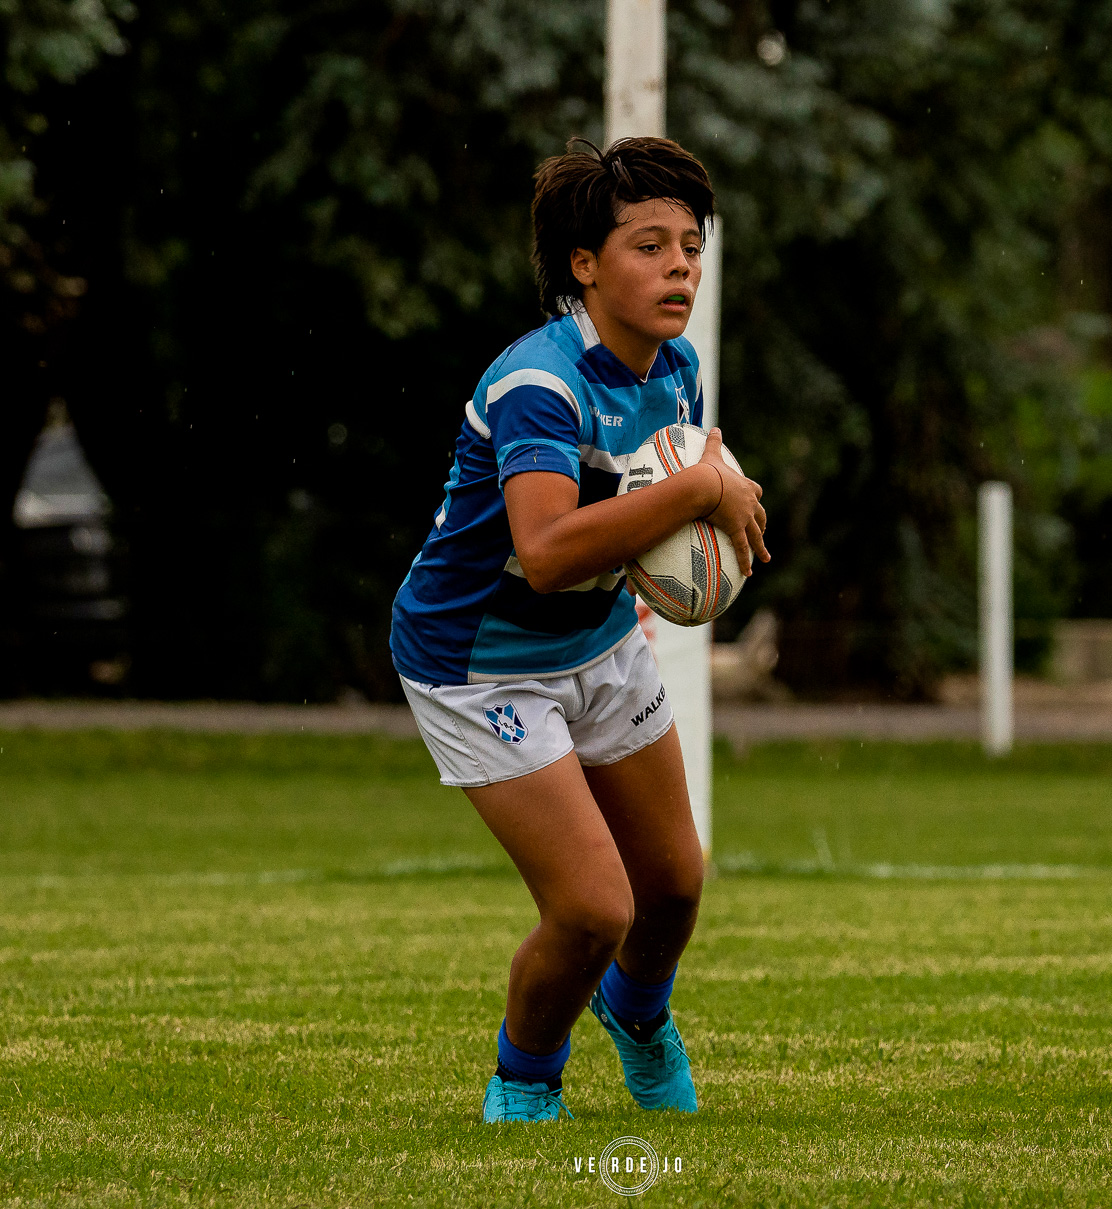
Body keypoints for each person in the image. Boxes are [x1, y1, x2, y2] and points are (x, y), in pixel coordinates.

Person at [388, 136, 767, 1123]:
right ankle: (525, 1080)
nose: (680, 267)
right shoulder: (538, 384)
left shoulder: (677, 369)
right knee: (596, 907)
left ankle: (637, 1015)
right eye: (650, 246)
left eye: (691, 246)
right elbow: (549, 550)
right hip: (478, 664)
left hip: (596, 637)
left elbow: (647, 515)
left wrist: (693, 523)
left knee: (675, 884)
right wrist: (703, 488)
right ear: (584, 265)